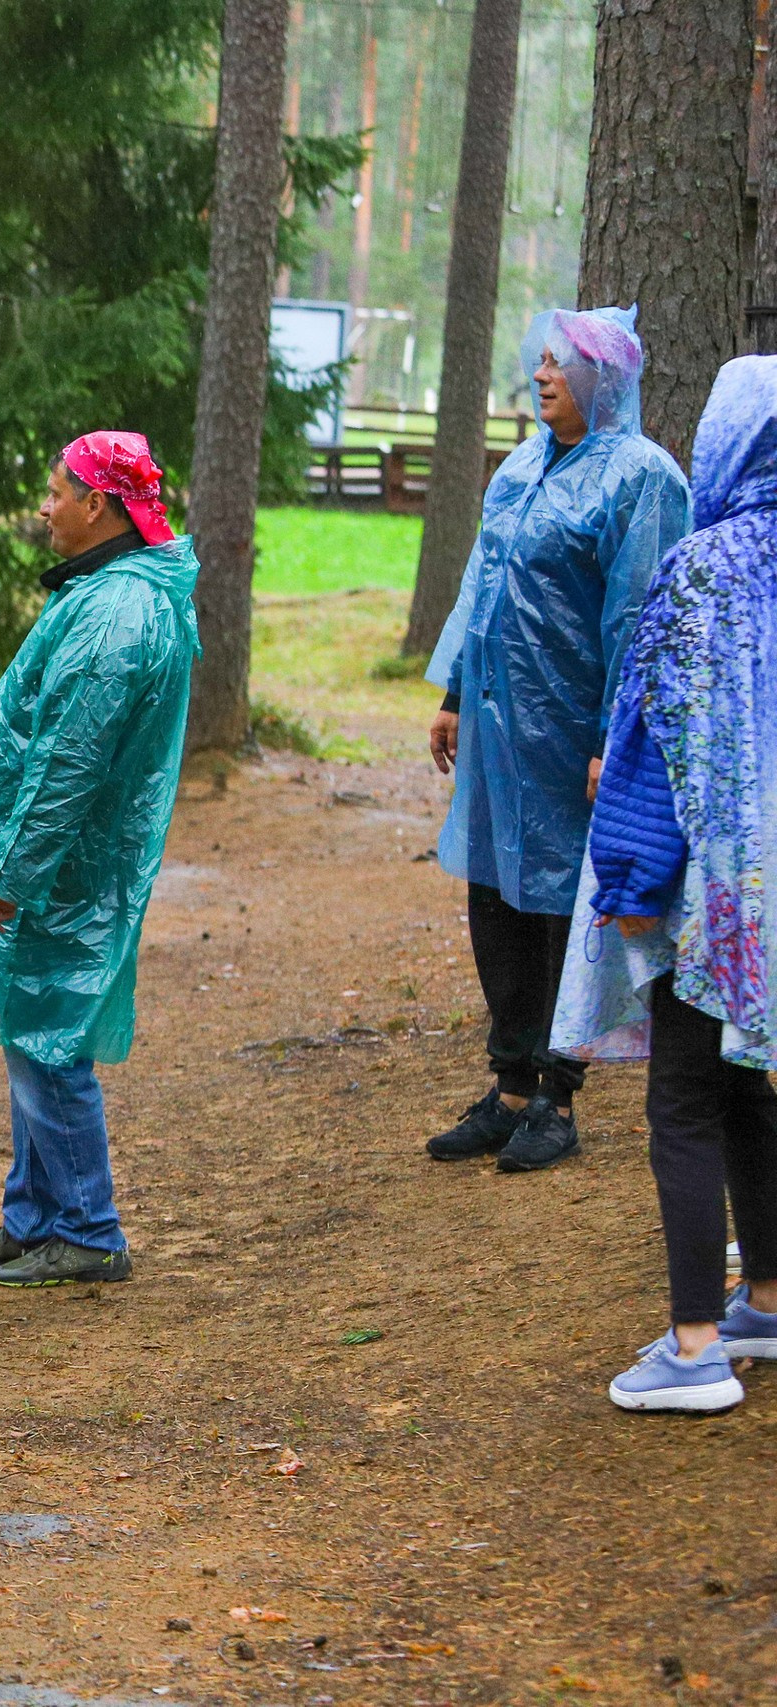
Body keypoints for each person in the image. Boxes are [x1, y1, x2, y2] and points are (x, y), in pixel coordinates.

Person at [0, 431, 198, 1288]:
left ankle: (90, 1230)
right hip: (66, 867)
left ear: (99, 504)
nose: (44, 508)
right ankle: (34, 1218)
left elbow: (69, 762)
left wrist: (14, 872)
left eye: (56, 492)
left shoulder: (115, 613)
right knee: (32, 1031)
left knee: (51, 1040)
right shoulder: (111, 590)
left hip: (66, 872)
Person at [552, 356, 777, 1413]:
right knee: (744, 1088)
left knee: (682, 1100)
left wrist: (629, 882)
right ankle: (765, 1301)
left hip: (705, 893)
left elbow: (650, 745)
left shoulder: (703, 569)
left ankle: (693, 1350)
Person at [422, 307, 690, 1173]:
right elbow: (480, 583)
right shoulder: (522, 466)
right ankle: (507, 1086)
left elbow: (640, 620)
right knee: (496, 895)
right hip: (501, 731)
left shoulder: (642, 478)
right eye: (538, 361)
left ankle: (556, 1093)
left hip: (576, 738)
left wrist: (620, 742)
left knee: (564, 907)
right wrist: (457, 690)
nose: (541, 375)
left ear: (603, 379)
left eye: (560, 363)